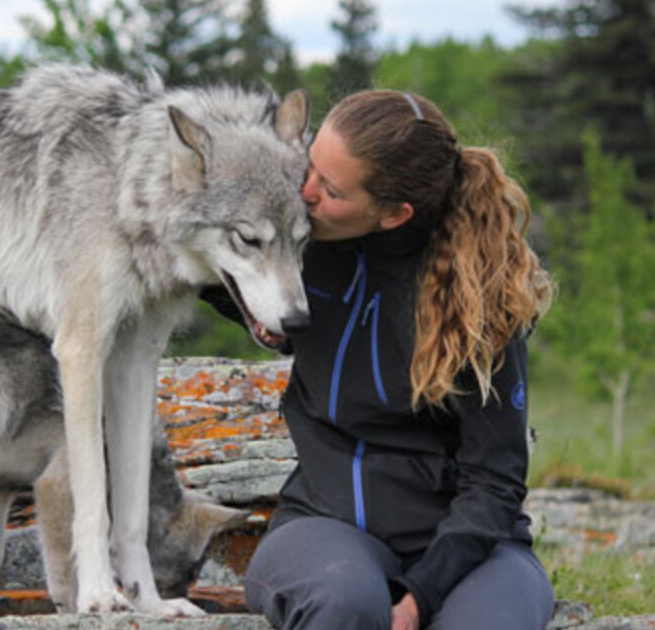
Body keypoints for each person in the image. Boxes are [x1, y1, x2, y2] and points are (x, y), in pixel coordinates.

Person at [204, 90, 555, 630]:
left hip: (473, 550)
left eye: (332, 188)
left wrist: (421, 596)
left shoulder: (479, 294)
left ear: (393, 214)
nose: (306, 192)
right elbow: (202, 262)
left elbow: (495, 480)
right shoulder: (296, 248)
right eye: (310, 166)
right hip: (324, 525)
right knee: (346, 606)